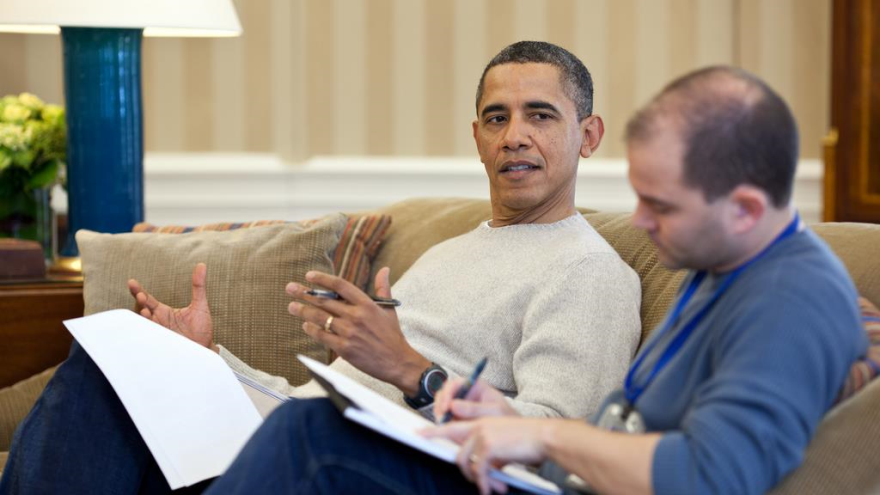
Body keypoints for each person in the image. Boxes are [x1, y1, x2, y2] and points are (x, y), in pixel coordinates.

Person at [0, 41, 642, 494]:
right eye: (497, 118)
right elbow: (308, 399)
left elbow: (558, 452)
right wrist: (208, 360)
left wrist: (413, 372)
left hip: (398, 470)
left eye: (540, 115)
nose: (514, 135)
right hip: (307, 438)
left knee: (307, 426)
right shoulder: (450, 251)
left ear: (588, 136)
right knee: (113, 364)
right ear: (477, 137)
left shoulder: (589, 272)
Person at [202, 66, 869, 495]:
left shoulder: (790, 298)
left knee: (309, 436)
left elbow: (715, 475)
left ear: (746, 209)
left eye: (660, 206)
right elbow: (625, 425)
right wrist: (491, 413)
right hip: (533, 474)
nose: (638, 222)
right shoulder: (727, 268)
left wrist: (545, 435)